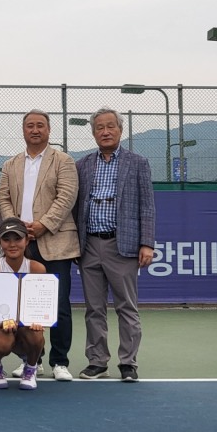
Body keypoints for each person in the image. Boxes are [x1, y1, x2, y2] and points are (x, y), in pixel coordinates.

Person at [73, 108, 156, 383]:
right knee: (94, 309)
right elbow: (76, 206)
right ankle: (97, 362)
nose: (105, 132)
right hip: (90, 245)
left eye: (111, 127)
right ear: (93, 132)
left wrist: (146, 243)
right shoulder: (82, 164)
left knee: (127, 307)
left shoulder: (138, 162)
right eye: (100, 127)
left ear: (120, 130)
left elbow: (147, 206)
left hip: (123, 245)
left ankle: (128, 363)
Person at [0, 109, 80, 382]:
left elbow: (67, 196)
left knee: (58, 305)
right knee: (24, 305)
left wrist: (44, 224)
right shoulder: (10, 164)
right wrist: (17, 227)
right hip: (22, 245)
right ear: (23, 131)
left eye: (40, 126)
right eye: (30, 126)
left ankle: (59, 361)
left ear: (48, 130)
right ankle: (33, 360)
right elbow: (3, 196)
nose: (35, 130)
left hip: (55, 241)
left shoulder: (64, 161)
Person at [0, 218, 48, 390]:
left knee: (37, 334)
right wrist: (1, 320)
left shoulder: (37, 269)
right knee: (2, 341)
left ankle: (31, 369)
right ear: (0, 242)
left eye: (17, 239)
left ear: (27, 240)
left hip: (24, 325)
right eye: (6, 239)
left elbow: (39, 306)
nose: (12, 244)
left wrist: (38, 319)